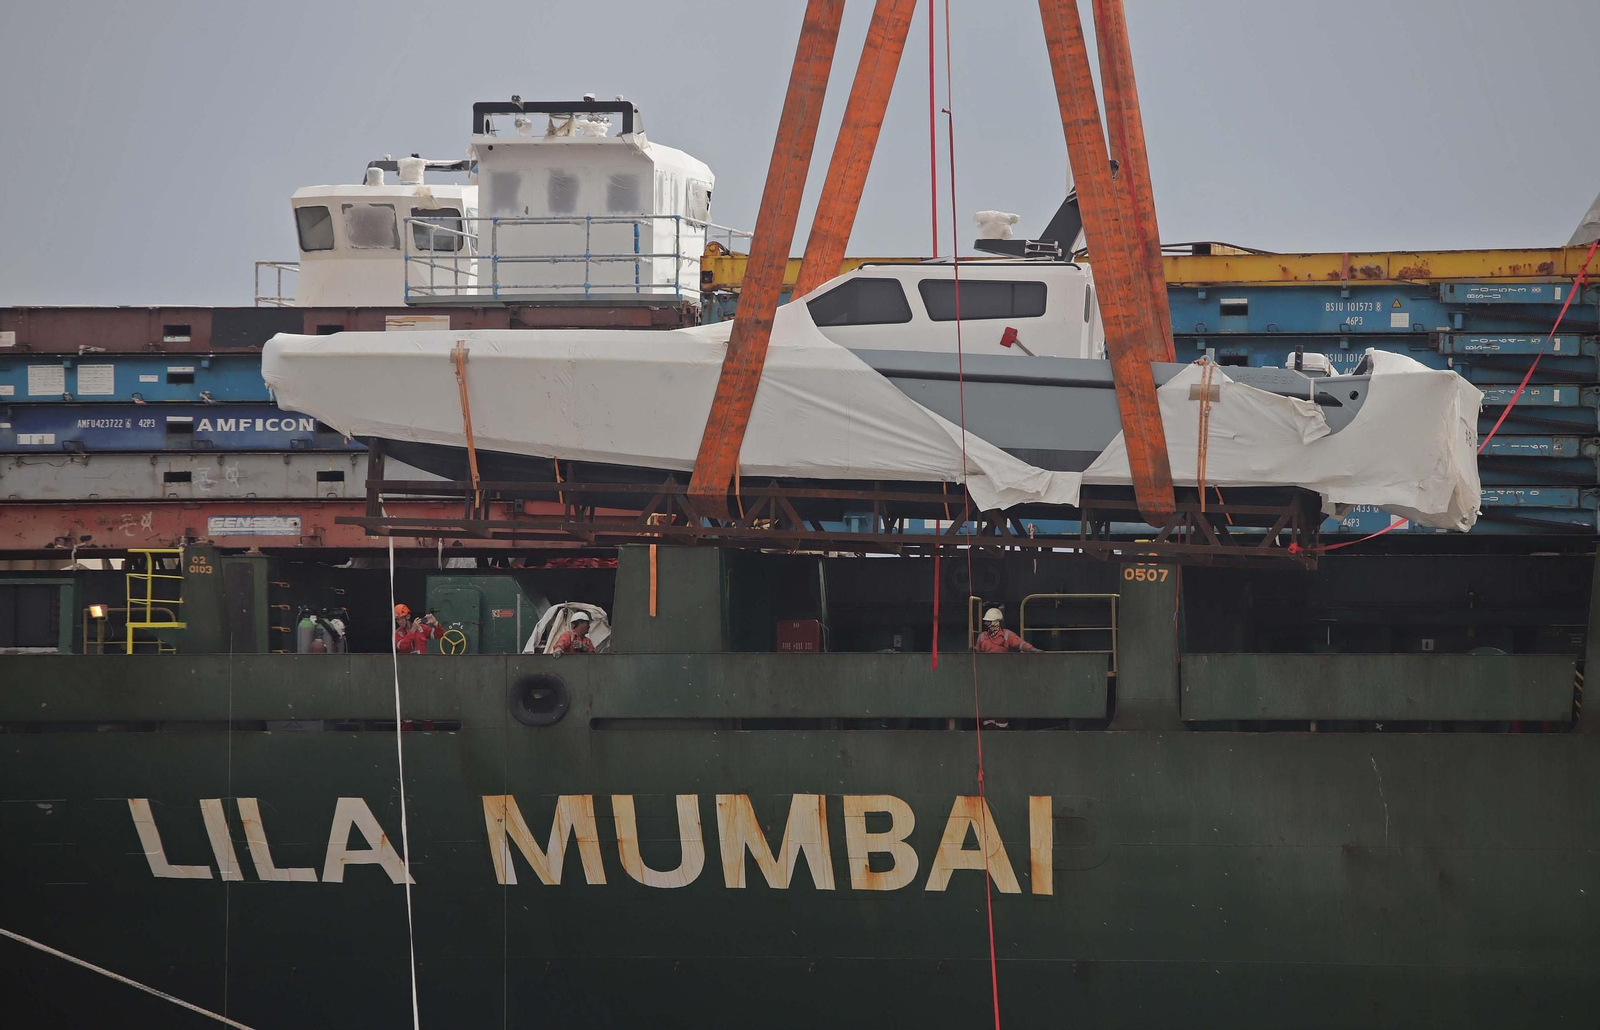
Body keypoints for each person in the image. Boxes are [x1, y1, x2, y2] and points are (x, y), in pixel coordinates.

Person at [974, 607, 1038, 654]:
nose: (987, 624)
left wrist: (1034, 650)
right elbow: (977, 654)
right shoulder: (982, 636)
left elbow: (1021, 644)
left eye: (989, 622)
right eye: (986, 622)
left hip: (1002, 665)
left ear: (997, 622)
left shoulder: (1007, 635)